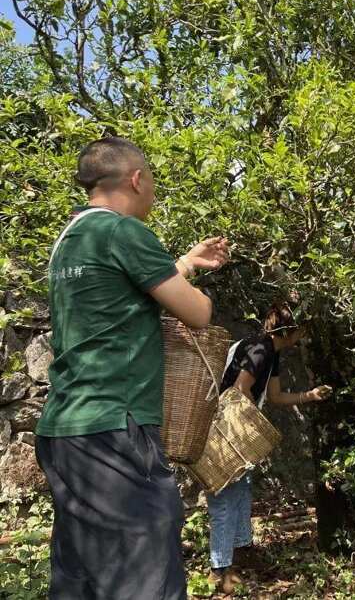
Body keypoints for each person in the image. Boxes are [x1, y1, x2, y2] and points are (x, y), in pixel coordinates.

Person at [35, 136, 230, 600]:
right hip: (115, 429)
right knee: (146, 579)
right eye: (154, 182)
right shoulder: (124, 232)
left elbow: (120, 295)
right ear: (137, 179)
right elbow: (198, 314)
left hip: (66, 430)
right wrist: (199, 291)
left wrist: (184, 263)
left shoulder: (71, 239)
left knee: (82, 578)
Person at [206, 296, 332, 594]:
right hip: (226, 429)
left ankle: (240, 553)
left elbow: (274, 396)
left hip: (235, 427)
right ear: (289, 331)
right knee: (225, 497)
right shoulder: (261, 348)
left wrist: (309, 396)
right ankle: (218, 569)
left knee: (242, 488)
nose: (303, 336)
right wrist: (251, 427)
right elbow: (240, 389)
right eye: (301, 330)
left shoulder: (270, 351)